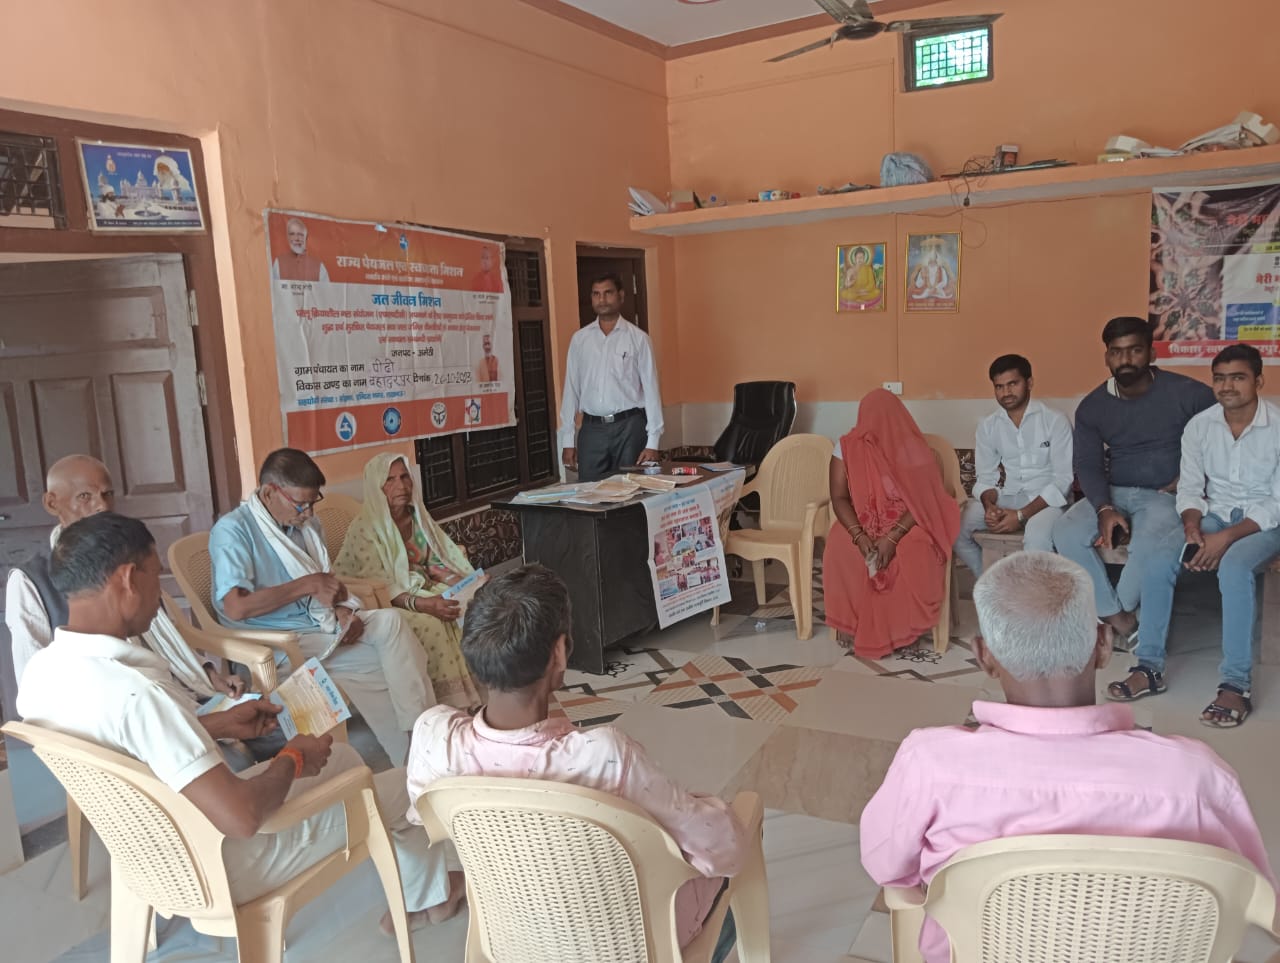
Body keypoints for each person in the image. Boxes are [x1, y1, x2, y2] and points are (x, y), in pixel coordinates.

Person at [18, 513, 460, 936]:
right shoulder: (138, 693)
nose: (160, 592)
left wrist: (218, 724)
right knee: (409, 786)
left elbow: (126, 749)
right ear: (129, 579)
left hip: (151, 857)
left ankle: (425, 893)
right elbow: (243, 817)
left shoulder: (42, 674)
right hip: (223, 862)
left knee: (343, 758)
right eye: (156, 575)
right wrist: (292, 758)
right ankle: (433, 896)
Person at [860, 552, 1275, 963]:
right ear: (1103, 645)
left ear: (984, 656)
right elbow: (1257, 902)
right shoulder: (1196, 778)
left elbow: (887, 867)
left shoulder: (930, 764)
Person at [406, 565, 745, 961]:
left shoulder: (435, 739)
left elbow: (423, 815)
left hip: (517, 937)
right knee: (735, 845)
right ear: (559, 653)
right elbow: (723, 848)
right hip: (626, 945)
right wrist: (718, 810)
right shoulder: (604, 758)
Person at [209, 448, 434, 764]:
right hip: (279, 642)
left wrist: (344, 611)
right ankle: (418, 755)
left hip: (320, 628)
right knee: (386, 667)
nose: (308, 514)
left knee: (392, 623)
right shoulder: (234, 531)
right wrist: (306, 585)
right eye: (301, 504)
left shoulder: (307, 526)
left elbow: (326, 583)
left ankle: (418, 742)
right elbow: (235, 608)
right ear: (270, 492)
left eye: (313, 503)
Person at [1109, 344, 1280, 727]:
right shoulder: (1200, 426)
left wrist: (1226, 538)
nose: (1227, 386)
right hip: (1211, 515)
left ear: (1258, 381)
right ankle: (1149, 667)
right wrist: (1191, 527)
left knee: (1234, 567)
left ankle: (1236, 685)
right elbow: (1189, 489)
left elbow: (1276, 502)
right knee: (1158, 559)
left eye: (1238, 377)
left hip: (1264, 523)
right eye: (1220, 378)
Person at [6, 455, 244, 705]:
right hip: (114, 707)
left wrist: (208, 674)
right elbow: (34, 681)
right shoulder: (30, 581)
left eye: (107, 494)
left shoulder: (127, 556)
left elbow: (168, 638)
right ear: (52, 503)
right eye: (85, 496)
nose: (102, 506)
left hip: (170, 694)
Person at [1051, 316, 1215, 644]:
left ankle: (1115, 611)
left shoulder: (1189, 393)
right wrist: (1103, 507)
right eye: (1116, 352)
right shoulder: (1092, 407)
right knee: (1065, 531)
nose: (1125, 359)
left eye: (1134, 350)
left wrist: (1192, 476)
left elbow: (1222, 435)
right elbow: (1088, 464)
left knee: (1150, 546)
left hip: (1163, 496)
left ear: (1151, 354)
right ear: (1107, 357)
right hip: (1114, 491)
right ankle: (1121, 619)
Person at [333, 453, 482, 708]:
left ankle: (475, 693)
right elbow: (380, 586)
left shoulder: (416, 517)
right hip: (377, 600)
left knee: (470, 606)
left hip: (418, 586)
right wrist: (426, 604)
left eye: (404, 477)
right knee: (433, 624)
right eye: (390, 480)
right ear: (376, 487)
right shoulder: (366, 527)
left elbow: (435, 562)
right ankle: (444, 705)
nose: (401, 485)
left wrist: (468, 584)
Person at [824, 389, 961, 658]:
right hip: (863, 517)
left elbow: (923, 498)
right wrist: (858, 535)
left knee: (914, 550)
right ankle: (852, 623)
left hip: (908, 519)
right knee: (839, 545)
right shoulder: (847, 446)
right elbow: (838, 497)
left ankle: (905, 630)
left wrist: (893, 537)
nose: (874, 425)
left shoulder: (909, 446)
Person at [953, 355, 1073, 575]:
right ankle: (994, 585)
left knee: (1036, 539)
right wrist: (989, 507)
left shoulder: (1055, 420)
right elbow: (986, 478)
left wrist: (1020, 516)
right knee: (955, 529)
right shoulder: (989, 426)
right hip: (1010, 495)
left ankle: (1034, 596)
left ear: (1029, 383)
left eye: (1012, 384)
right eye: (999, 387)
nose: (1006, 392)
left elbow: (1063, 480)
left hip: (1049, 503)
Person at [558, 273, 663, 482]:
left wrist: (653, 442)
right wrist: (567, 440)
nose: (602, 300)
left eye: (608, 293)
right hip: (592, 429)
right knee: (589, 490)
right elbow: (571, 390)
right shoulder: (580, 340)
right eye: (596, 294)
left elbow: (652, 391)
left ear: (620, 296)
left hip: (629, 428)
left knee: (631, 488)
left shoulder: (638, 339)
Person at [271, 217, 329, 283]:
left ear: (306, 237)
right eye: (292, 234)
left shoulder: (319, 265)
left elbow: (326, 289)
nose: (296, 238)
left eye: (300, 234)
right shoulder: (278, 262)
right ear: (288, 237)